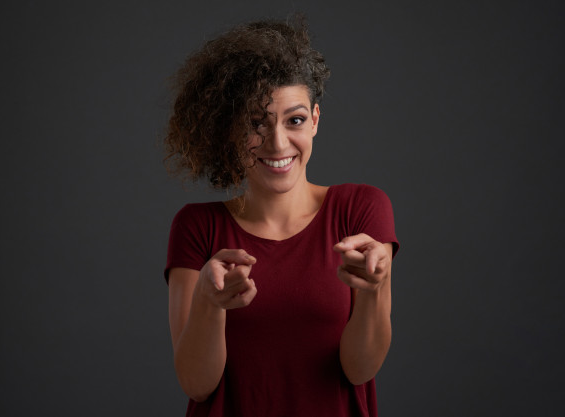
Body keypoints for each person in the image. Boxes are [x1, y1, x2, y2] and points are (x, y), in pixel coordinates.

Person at [163, 17, 399, 417]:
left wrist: (375, 288)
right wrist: (209, 301)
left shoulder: (361, 210)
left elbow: (360, 371)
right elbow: (196, 385)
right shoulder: (198, 227)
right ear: (229, 130)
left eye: (295, 120)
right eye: (256, 123)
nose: (277, 143)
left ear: (316, 120)